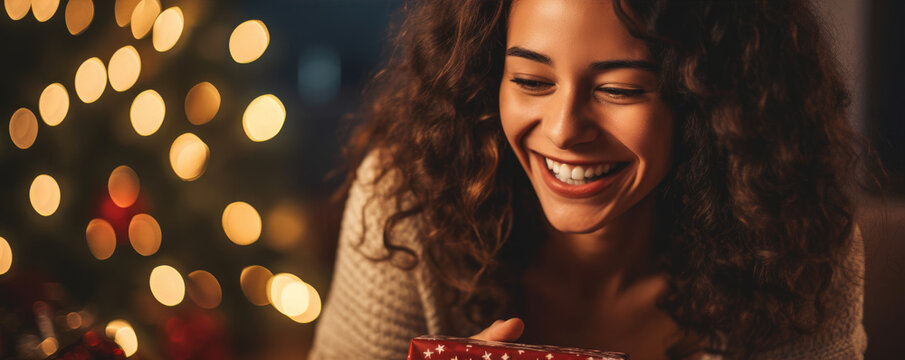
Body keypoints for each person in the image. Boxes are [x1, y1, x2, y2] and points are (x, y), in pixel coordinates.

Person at [309, 0, 866, 359]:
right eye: (530, 80)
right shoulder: (407, 201)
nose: (564, 129)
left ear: (711, 103)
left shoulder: (797, 242)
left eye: (619, 90)